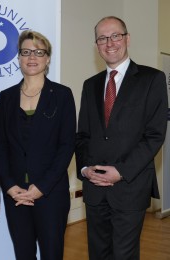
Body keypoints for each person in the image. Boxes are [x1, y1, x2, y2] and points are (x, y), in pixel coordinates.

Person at [75, 16, 168, 260]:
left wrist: (121, 171)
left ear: (127, 38)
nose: (110, 43)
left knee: (124, 255)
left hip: (130, 186)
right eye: (102, 38)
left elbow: (154, 136)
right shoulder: (90, 85)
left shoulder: (152, 80)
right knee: (98, 254)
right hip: (95, 190)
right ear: (96, 45)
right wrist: (85, 169)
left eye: (115, 35)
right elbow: (82, 135)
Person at [0, 30, 76, 260]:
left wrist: (41, 187)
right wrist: (10, 186)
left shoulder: (62, 95)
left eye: (39, 52)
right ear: (18, 58)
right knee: (23, 254)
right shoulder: (7, 97)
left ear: (48, 58)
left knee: (52, 254)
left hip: (50, 194)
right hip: (16, 195)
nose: (32, 57)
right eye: (26, 52)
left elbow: (66, 145)